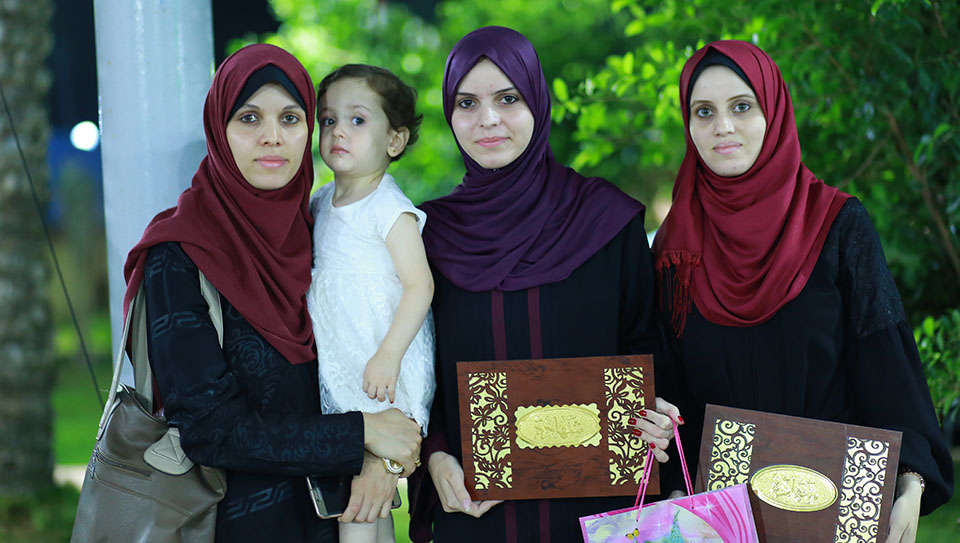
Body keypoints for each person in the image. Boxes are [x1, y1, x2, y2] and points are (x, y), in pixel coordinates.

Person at [633, 40, 954, 543]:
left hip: (835, 509)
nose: (723, 126)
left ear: (774, 112)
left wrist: (910, 481)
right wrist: (673, 484)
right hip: (719, 522)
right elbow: (671, 395)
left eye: (742, 106)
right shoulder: (675, 250)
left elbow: (886, 368)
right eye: (704, 112)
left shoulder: (837, 225)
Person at [121, 44, 421, 542]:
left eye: (290, 118)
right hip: (224, 526)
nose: (272, 137)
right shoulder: (180, 255)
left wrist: (380, 459)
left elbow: (376, 356)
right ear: (219, 129)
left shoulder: (320, 234)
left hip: (334, 522)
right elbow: (210, 428)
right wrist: (363, 433)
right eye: (249, 118)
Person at [407, 26, 668, 543]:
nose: (488, 119)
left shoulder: (604, 220)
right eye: (466, 103)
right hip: (477, 514)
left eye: (508, 98)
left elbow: (648, 347)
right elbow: (415, 375)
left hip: (603, 519)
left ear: (537, 102)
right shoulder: (428, 236)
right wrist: (435, 457)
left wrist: (658, 414)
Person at [308, 63, 436, 543]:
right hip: (345, 362)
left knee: (357, 505)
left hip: (380, 368)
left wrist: (388, 354)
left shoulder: (388, 208)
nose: (339, 130)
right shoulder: (321, 202)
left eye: (358, 120)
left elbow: (419, 285)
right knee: (370, 504)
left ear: (395, 141)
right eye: (328, 119)